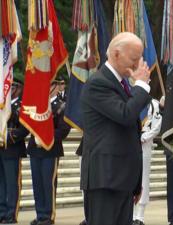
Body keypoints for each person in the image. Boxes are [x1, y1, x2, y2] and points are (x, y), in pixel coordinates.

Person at [80, 32, 151, 225]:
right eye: (134, 59)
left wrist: (135, 184)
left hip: (121, 180)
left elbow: (128, 134)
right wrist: (142, 86)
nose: (137, 65)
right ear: (116, 54)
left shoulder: (120, 85)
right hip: (105, 179)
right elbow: (125, 114)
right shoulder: (99, 83)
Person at [28, 79, 71, 225]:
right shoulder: (37, 105)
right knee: (37, 184)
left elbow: (64, 130)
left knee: (48, 183)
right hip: (35, 149)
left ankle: (48, 215)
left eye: (49, 84)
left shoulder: (61, 106)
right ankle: (40, 214)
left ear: (55, 87)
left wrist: (46, 137)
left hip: (50, 150)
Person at [0, 78, 29, 224]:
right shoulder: (2, 106)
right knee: (1, 183)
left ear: (18, 89)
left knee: (12, 183)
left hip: (12, 148)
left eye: (11, 87)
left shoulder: (21, 106)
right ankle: (2, 212)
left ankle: (11, 213)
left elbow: (25, 129)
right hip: (1, 148)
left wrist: (9, 137)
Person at [132, 98, 162, 225]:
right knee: (130, 177)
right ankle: (131, 214)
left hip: (144, 144)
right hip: (130, 144)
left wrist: (144, 137)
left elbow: (157, 126)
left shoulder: (153, 103)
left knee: (143, 177)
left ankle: (140, 216)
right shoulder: (130, 100)